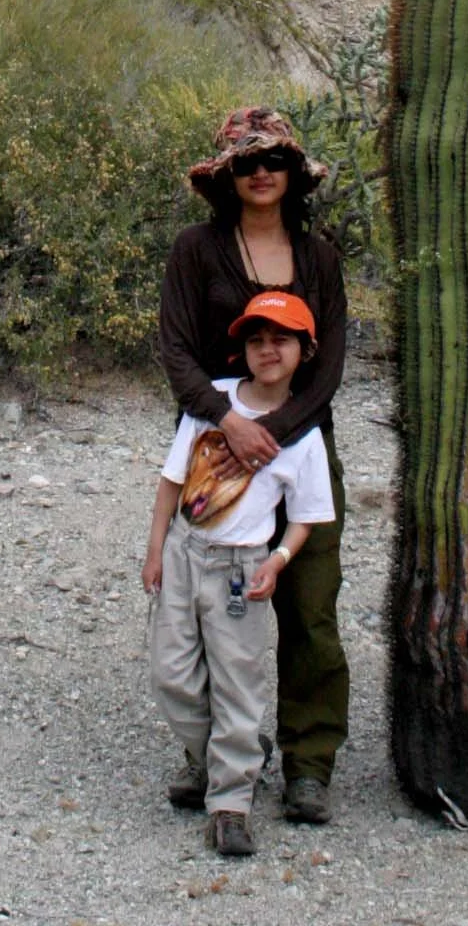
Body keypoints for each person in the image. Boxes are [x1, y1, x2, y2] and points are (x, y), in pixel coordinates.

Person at [157, 107, 349, 825]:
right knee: (204, 606)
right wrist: (228, 420)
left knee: (308, 607)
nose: (260, 172)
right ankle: (210, 753)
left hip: (299, 450)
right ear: (228, 178)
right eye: (246, 163)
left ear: (294, 176)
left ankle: (308, 760)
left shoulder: (319, 256)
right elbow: (176, 350)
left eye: (273, 163)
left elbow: (328, 364)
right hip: (212, 451)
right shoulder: (196, 251)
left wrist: (274, 430)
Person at [142, 291, 335, 857]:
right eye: (256, 340)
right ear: (242, 352)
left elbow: (303, 518)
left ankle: (230, 803)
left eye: (281, 339)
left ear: (305, 350)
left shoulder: (303, 432)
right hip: (185, 551)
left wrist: (277, 562)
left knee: (238, 681)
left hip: (242, 567)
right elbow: (171, 482)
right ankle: (228, 753)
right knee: (172, 673)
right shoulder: (215, 402)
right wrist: (155, 551)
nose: (267, 349)